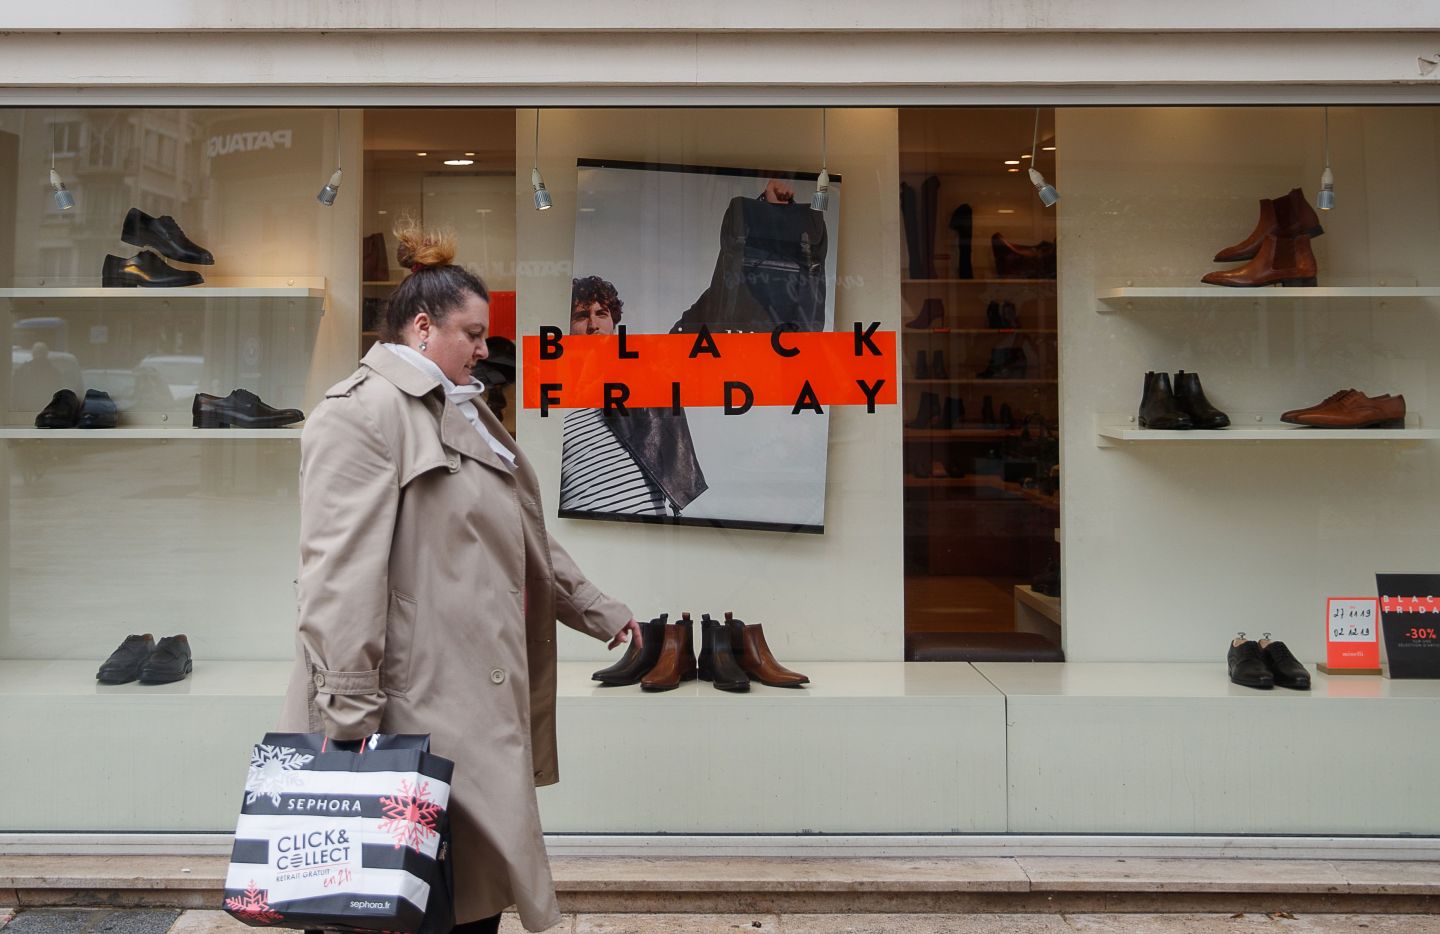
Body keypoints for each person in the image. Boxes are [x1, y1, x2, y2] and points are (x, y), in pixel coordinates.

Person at [278, 222, 641, 934]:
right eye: (473, 334)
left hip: (462, 711)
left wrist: (596, 608)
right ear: (422, 328)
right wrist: (349, 727)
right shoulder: (360, 416)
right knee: (398, 908)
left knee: (465, 905)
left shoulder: (461, 411)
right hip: (404, 718)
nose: (485, 349)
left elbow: (516, 532)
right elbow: (336, 580)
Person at [558, 276, 708, 519]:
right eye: (582, 315)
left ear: (614, 325)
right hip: (579, 538)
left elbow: (699, 321)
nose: (593, 324)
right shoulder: (549, 402)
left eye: (602, 313)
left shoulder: (641, 379)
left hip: (644, 535)